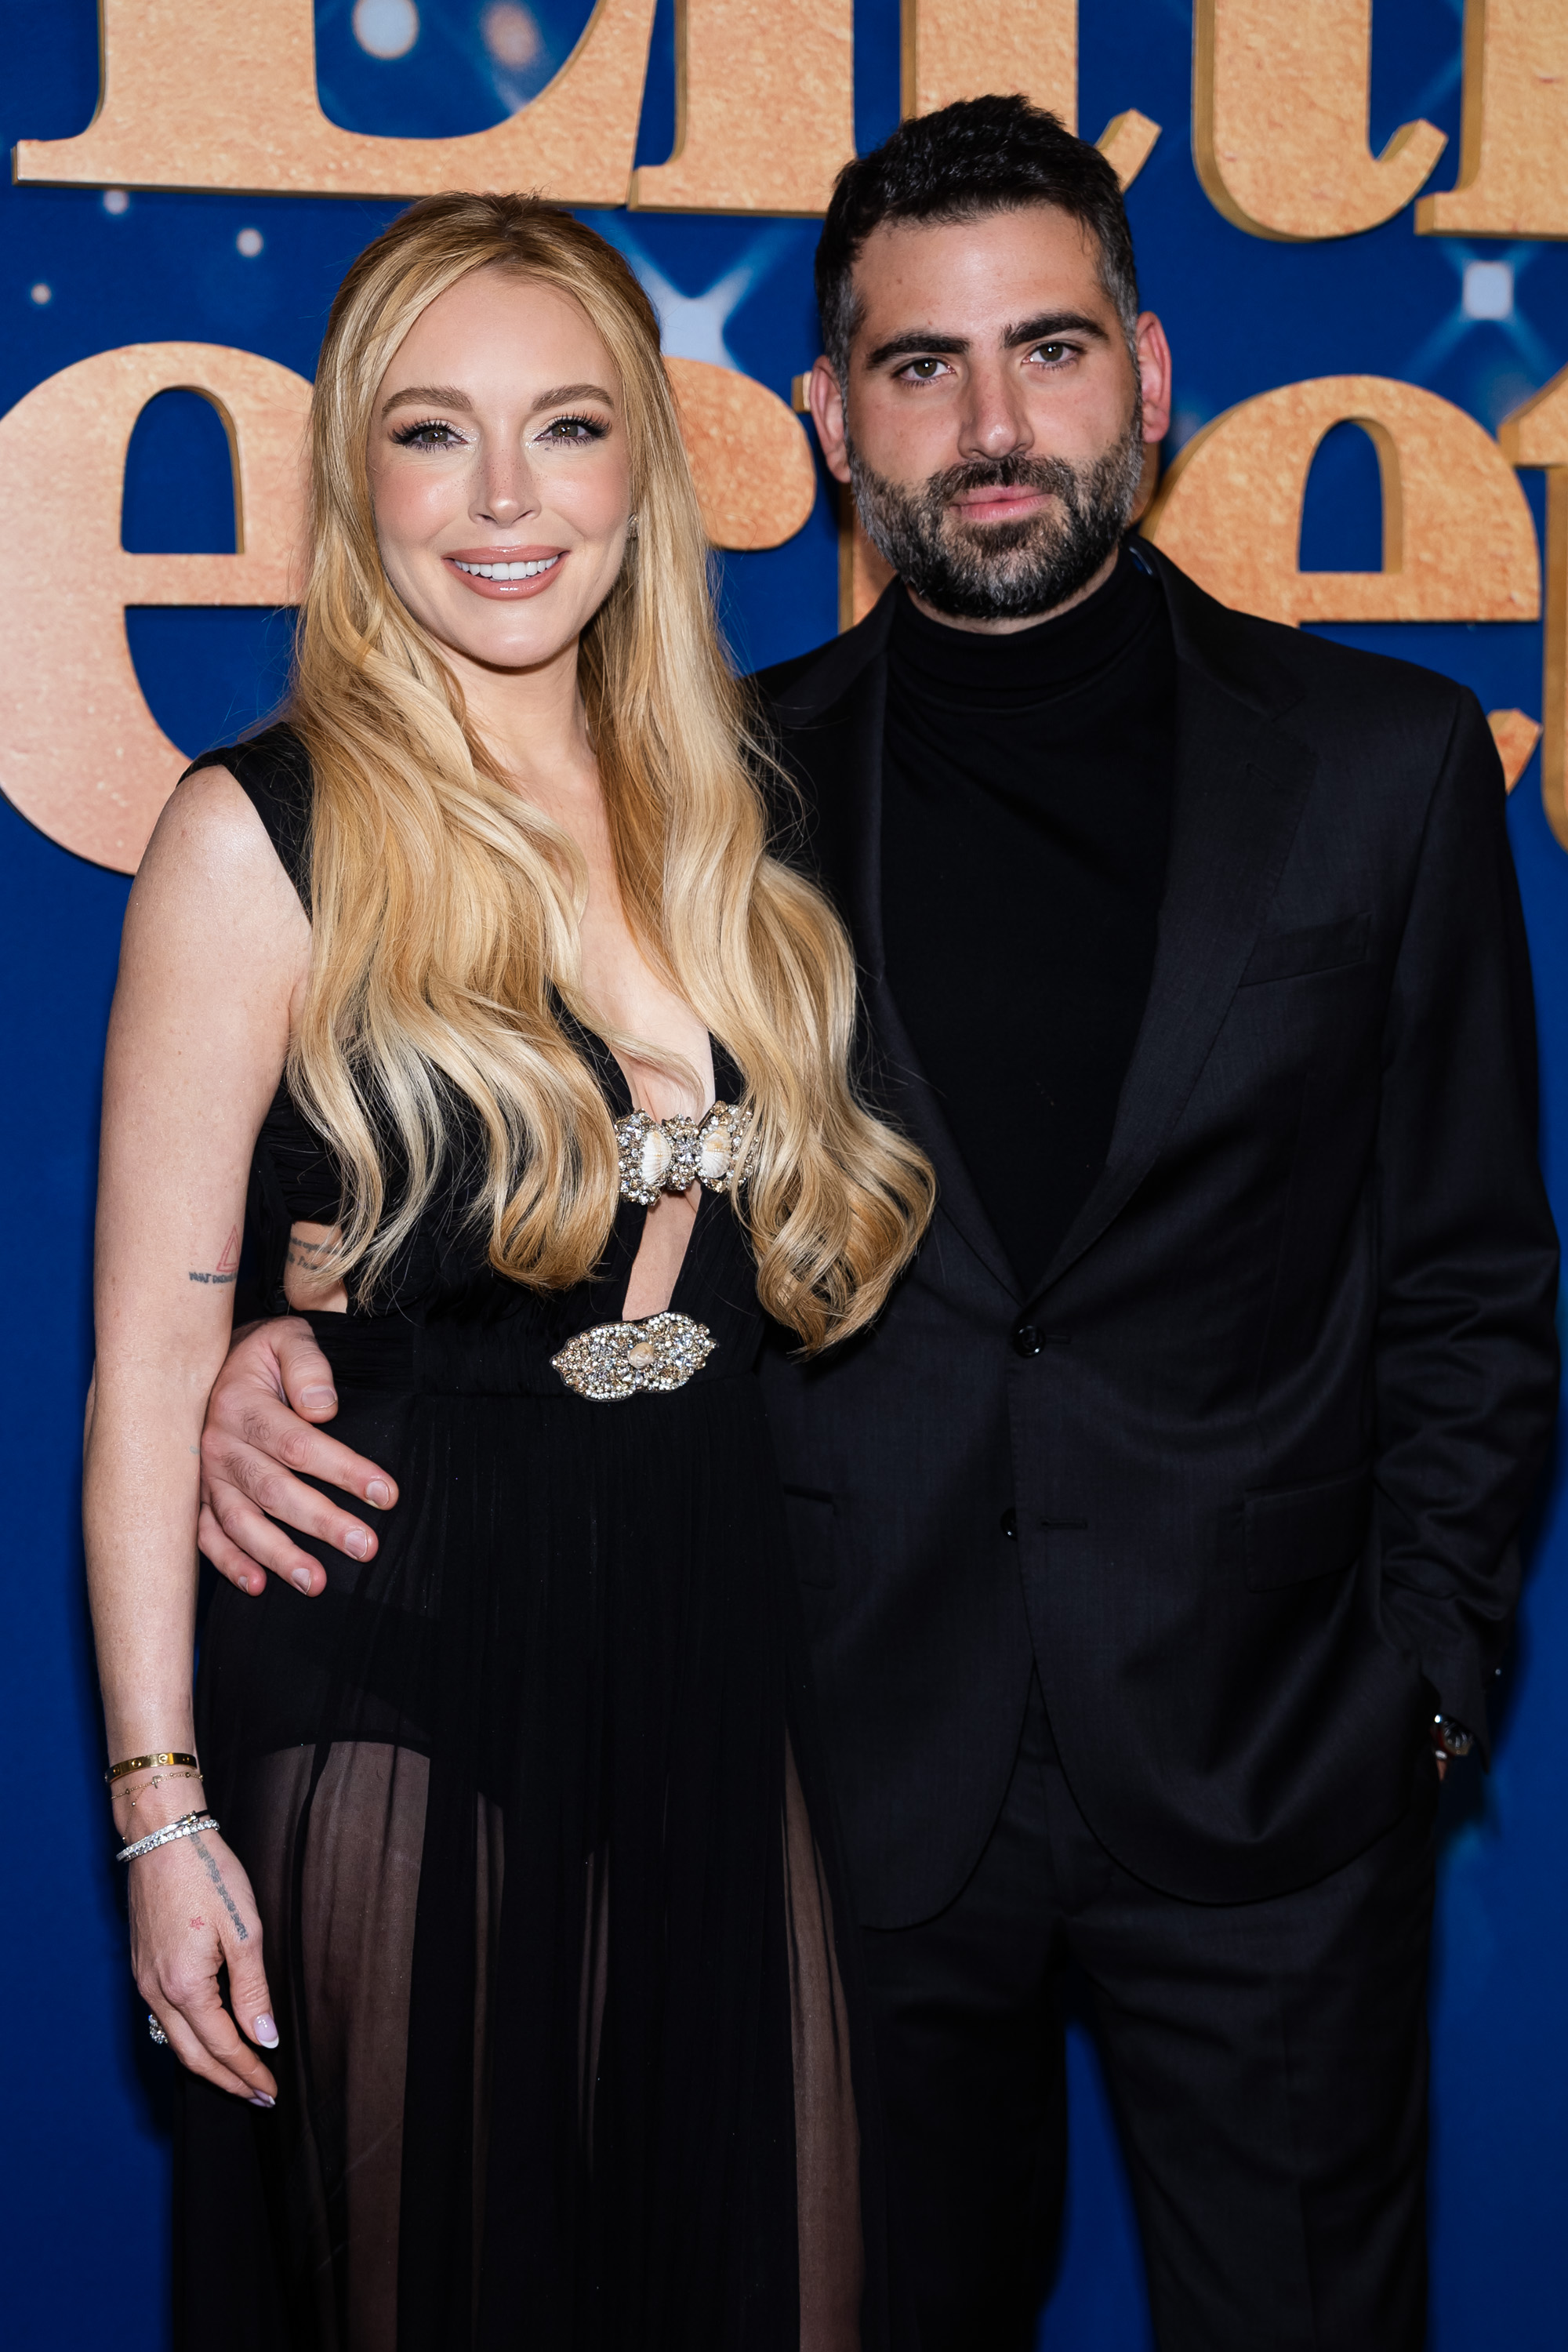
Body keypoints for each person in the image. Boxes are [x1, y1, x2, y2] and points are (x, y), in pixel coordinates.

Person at [194, 103, 1560, 2352]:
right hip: (834, 1789)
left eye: (1047, 350)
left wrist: (1424, 1689)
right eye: (922, 369)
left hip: (1268, 1783)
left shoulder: (1382, 763)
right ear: (830, 418)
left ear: (1151, 367)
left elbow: (1476, 1278)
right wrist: (286, 1325)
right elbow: (500, 1146)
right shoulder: (701, 797)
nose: (994, 424)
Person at [85, 191, 936, 2351]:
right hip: (393, 1687)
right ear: (359, 481)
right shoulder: (258, 834)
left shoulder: (742, 819)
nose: (502, 501)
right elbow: (150, 1364)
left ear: (640, 467)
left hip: (713, 1682)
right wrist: (159, 1822)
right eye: (433, 434)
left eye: (563, 429)